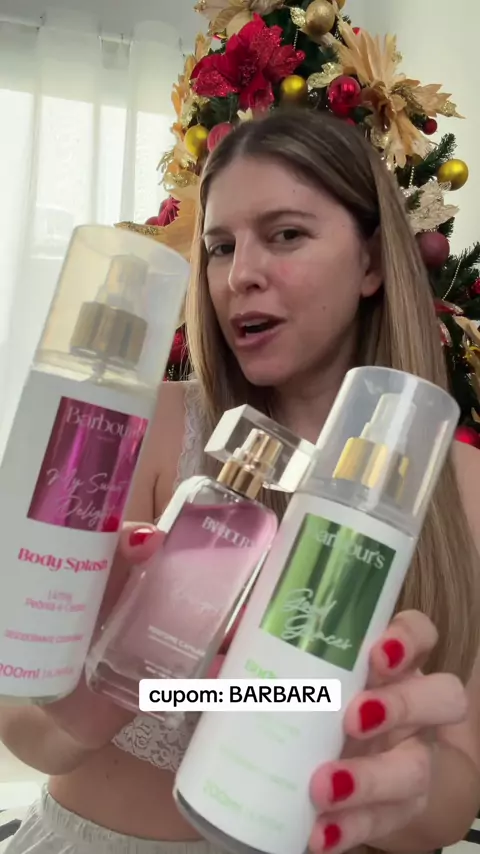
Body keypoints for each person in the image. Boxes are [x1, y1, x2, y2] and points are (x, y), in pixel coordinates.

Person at [1, 108, 480, 854]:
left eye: (285, 234)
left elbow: (452, 801)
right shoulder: (142, 426)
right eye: (220, 247)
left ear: (371, 264)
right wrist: (107, 695)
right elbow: (21, 724)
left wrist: (373, 754)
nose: (238, 275)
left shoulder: (462, 485)